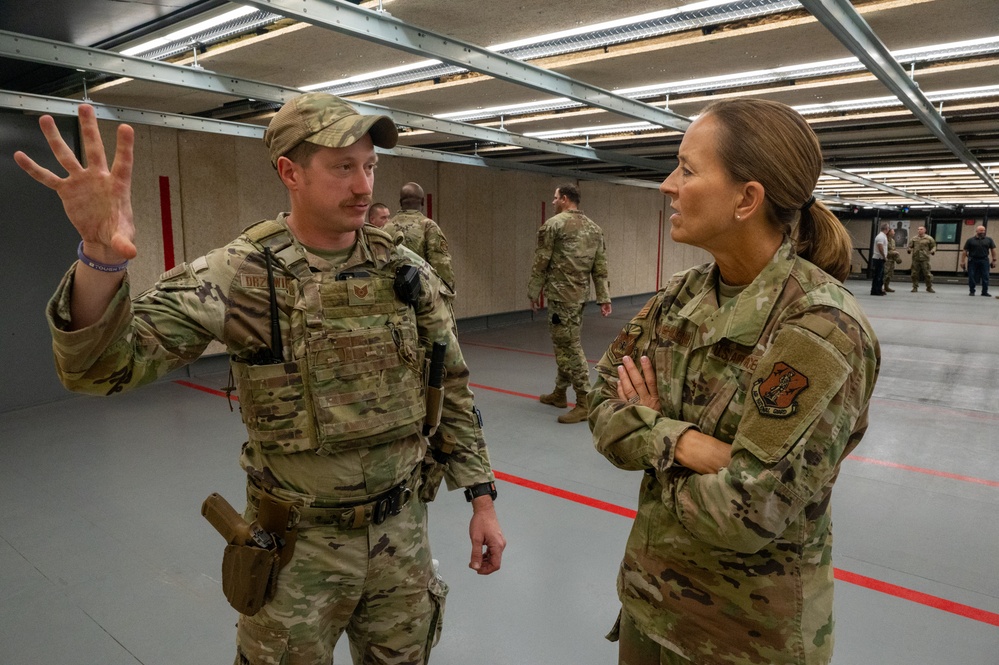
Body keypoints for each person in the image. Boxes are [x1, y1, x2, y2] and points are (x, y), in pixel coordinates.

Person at [14, 92, 505, 665]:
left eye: (370, 166)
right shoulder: (240, 274)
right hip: (298, 552)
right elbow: (100, 369)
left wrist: (482, 499)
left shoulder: (405, 272)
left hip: (402, 538)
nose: (364, 186)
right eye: (343, 167)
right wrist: (101, 259)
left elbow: (453, 385)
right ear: (290, 172)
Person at [588, 99, 879, 665]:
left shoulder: (820, 328)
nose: (669, 185)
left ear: (747, 199)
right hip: (649, 608)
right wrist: (688, 445)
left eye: (688, 170)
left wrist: (650, 434)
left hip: (745, 640)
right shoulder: (680, 296)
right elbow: (601, 401)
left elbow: (746, 511)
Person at [528, 184, 612, 424]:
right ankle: (559, 393)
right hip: (579, 297)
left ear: (564, 199)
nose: (553, 201)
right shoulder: (595, 229)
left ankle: (584, 400)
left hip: (560, 297)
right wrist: (603, 298)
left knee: (569, 347)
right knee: (565, 343)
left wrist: (533, 292)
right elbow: (600, 266)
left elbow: (541, 260)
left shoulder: (553, 225)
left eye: (555, 198)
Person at [383, 182, 456, 295]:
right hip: (420, 297)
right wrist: (449, 292)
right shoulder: (428, 226)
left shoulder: (385, 227)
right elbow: (441, 265)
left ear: (400, 202)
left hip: (392, 295)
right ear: (423, 201)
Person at [960, 225, 996, 296]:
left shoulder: (989, 240)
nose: (982, 232)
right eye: (981, 230)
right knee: (971, 275)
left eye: (983, 230)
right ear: (977, 231)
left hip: (984, 260)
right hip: (973, 260)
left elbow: (993, 250)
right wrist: (962, 261)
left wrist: (994, 260)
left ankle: (984, 292)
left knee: (985, 276)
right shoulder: (970, 240)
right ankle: (972, 291)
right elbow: (965, 251)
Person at [907, 225, 936, 292]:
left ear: (924, 230)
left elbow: (934, 246)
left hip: (925, 259)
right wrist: (909, 250)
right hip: (916, 258)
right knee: (914, 273)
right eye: (918, 229)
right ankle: (915, 287)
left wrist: (933, 251)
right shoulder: (914, 239)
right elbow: (910, 246)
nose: (919, 230)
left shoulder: (929, 238)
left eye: (921, 229)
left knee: (927, 274)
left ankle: (929, 287)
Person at [870, 221, 888, 295]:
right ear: (886, 228)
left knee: (880, 276)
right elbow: (880, 247)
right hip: (879, 258)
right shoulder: (880, 236)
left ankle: (879, 289)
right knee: (878, 275)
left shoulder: (883, 236)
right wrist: (884, 256)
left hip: (880, 258)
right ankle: (875, 290)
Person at [883, 226, 901, 293]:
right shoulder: (884, 239)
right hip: (886, 259)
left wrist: (897, 258)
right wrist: (892, 252)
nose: (894, 232)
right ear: (889, 232)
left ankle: (886, 287)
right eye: (893, 231)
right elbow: (883, 250)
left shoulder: (893, 241)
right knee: (884, 274)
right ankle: (880, 287)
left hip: (892, 260)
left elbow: (894, 250)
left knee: (890, 274)